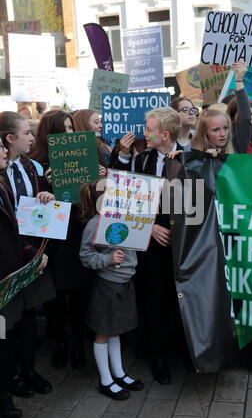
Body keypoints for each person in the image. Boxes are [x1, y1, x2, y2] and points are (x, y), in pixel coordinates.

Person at [115, 107, 187, 384]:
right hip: (152, 247)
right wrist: (149, 227)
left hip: (183, 247)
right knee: (155, 301)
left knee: (180, 302)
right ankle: (158, 356)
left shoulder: (189, 158)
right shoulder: (143, 159)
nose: (144, 133)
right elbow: (127, 199)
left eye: (148, 129)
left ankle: (184, 350)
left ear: (164, 134)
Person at [0, 111, 55, 398]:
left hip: (36, 251)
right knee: (11, 321)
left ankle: (29, 370)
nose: (33, 138)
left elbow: (38, 204)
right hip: (12, 255)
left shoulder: (31, 167)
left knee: (31, 313)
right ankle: (11, 378)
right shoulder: (2, 172)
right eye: (27, 133)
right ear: (10, 139)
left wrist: (46, 196)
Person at [29, 109, 89, 368]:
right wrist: (46, 190)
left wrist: (95, 179)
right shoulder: (37, 165)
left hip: (76, 231)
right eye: (64, 129)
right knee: (55, 294)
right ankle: (61, 342)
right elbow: (30, 211)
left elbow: (90, 200)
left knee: (78, 291)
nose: (70, 133)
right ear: (51, 133)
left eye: (71, 128)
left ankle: (77, 342)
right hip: (53, 238)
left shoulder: (81, 155)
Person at [79, 179, 144, 400]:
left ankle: (119, 373)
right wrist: (107, 259)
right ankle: (105, 380)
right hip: (108, 284)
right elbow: (86, 255)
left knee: (115, 330)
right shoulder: (95, 224)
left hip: (125, 282)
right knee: (104, 332)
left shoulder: (125, 218)